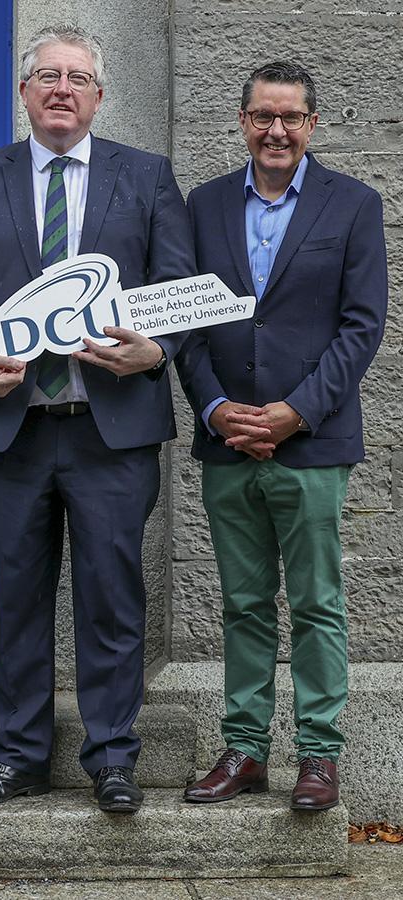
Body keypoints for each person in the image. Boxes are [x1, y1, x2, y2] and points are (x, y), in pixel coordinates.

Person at [0, 24, 194, 813]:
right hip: (12, 423)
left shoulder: (145, 175)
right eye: (46, 75)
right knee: (17, 597)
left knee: (112, 597)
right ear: (24, 92)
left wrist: (157, 351)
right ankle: (19, 757)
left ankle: (112, 758)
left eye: (77, 78)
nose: (61, 89)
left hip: (110, 428)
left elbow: (177, 288)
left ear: (98, 96)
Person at [177, 62, 386, 812]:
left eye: (291, 118)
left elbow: (362, 327)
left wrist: (297, 411)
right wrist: (214, 408)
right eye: (263, 116)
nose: (276, 131)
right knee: (243, 603)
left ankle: (320, 757)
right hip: (227, 441)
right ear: (241, 121)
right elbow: (184, 322)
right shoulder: (200, 207)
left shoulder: (353, 205)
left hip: (314, 444)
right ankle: (244, 750)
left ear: (312, 125)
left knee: (318, 603)